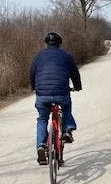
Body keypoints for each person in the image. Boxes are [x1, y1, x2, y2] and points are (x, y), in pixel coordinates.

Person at [29, 32, 82, 165]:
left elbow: (32, 72)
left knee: (42, 119)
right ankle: (67, 130)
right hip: (61, 92)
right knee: (66, 107)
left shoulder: (38, 56)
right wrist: (77, 86)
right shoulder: (66, 56)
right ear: (59, 43)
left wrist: (33, 87)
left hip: (42, 94)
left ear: (46, 43)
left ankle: (41, 145)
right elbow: (74, 73)